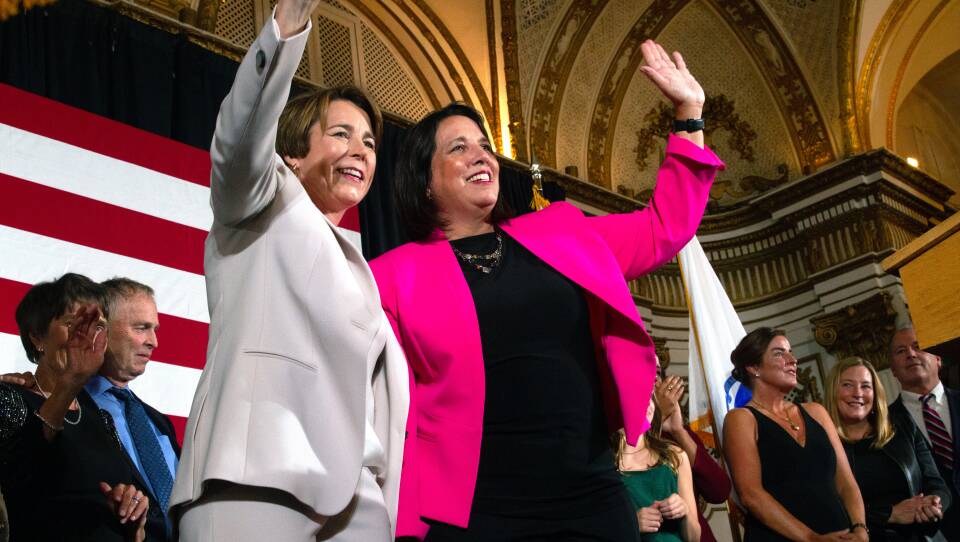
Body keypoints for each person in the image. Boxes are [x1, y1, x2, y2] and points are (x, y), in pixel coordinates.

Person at [370, 40, 723, 540]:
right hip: (474, 511)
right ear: (424, 183)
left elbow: (662, 227)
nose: (482, 156)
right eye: (459, 147)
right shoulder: (392, 275)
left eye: (484, 145)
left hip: (589, 496)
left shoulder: (560, 233)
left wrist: (689, 115)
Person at [168, 0, 409, 539]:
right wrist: (288, 27)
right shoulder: (261, 200)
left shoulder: (358, 267)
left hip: (358, 500)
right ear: (293, 155)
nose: (361, 150)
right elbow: (240, 141)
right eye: (342, 133)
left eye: (369, 141)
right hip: (255, 473)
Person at [0, 273, 154, 541]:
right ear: (37, 336)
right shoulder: (10, 398)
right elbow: (20, 476)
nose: (83, 336)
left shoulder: (101, 416)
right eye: (73, 323)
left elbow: (131, 503)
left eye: (96, 326)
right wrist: (70, 380)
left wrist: (134, 520)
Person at [723, 327, 867, 541]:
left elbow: (846, 481)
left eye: (790, 351)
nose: (793, 360)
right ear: (754, 367)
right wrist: (810, 538)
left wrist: (860, 528)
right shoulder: (741, 418)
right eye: (779, 353)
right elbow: (751, 495)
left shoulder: (816, 412)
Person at [826, 356, 950, 541]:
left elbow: (937, 483)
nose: (857, 393)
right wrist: (890, 514)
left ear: (875, 393)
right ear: (832, 391)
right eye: (847, 385)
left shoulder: (902, 425)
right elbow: (829, 513)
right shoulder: (822, 446)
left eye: (866, 386)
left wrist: (932, 503)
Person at [888, 326, 960, 539]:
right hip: (934, 533)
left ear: (938, 358)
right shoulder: (883, 425)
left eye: (918, 347)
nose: (910, 354)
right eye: (901, 351)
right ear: (892, 369)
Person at [654, 367, 731, 542]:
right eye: (647, 369)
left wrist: (678, 431)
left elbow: (719, 491)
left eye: (658, 373)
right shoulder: (619, 437)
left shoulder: (678, 433)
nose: (656, 380)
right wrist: (657, 418)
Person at [616, 394, 701, 541]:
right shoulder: (602, 464)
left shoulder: (674, 455)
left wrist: (684, 511)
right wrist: (630, 525)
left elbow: (694, 538)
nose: (648, 404)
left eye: (649, 395)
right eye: (639, 394)